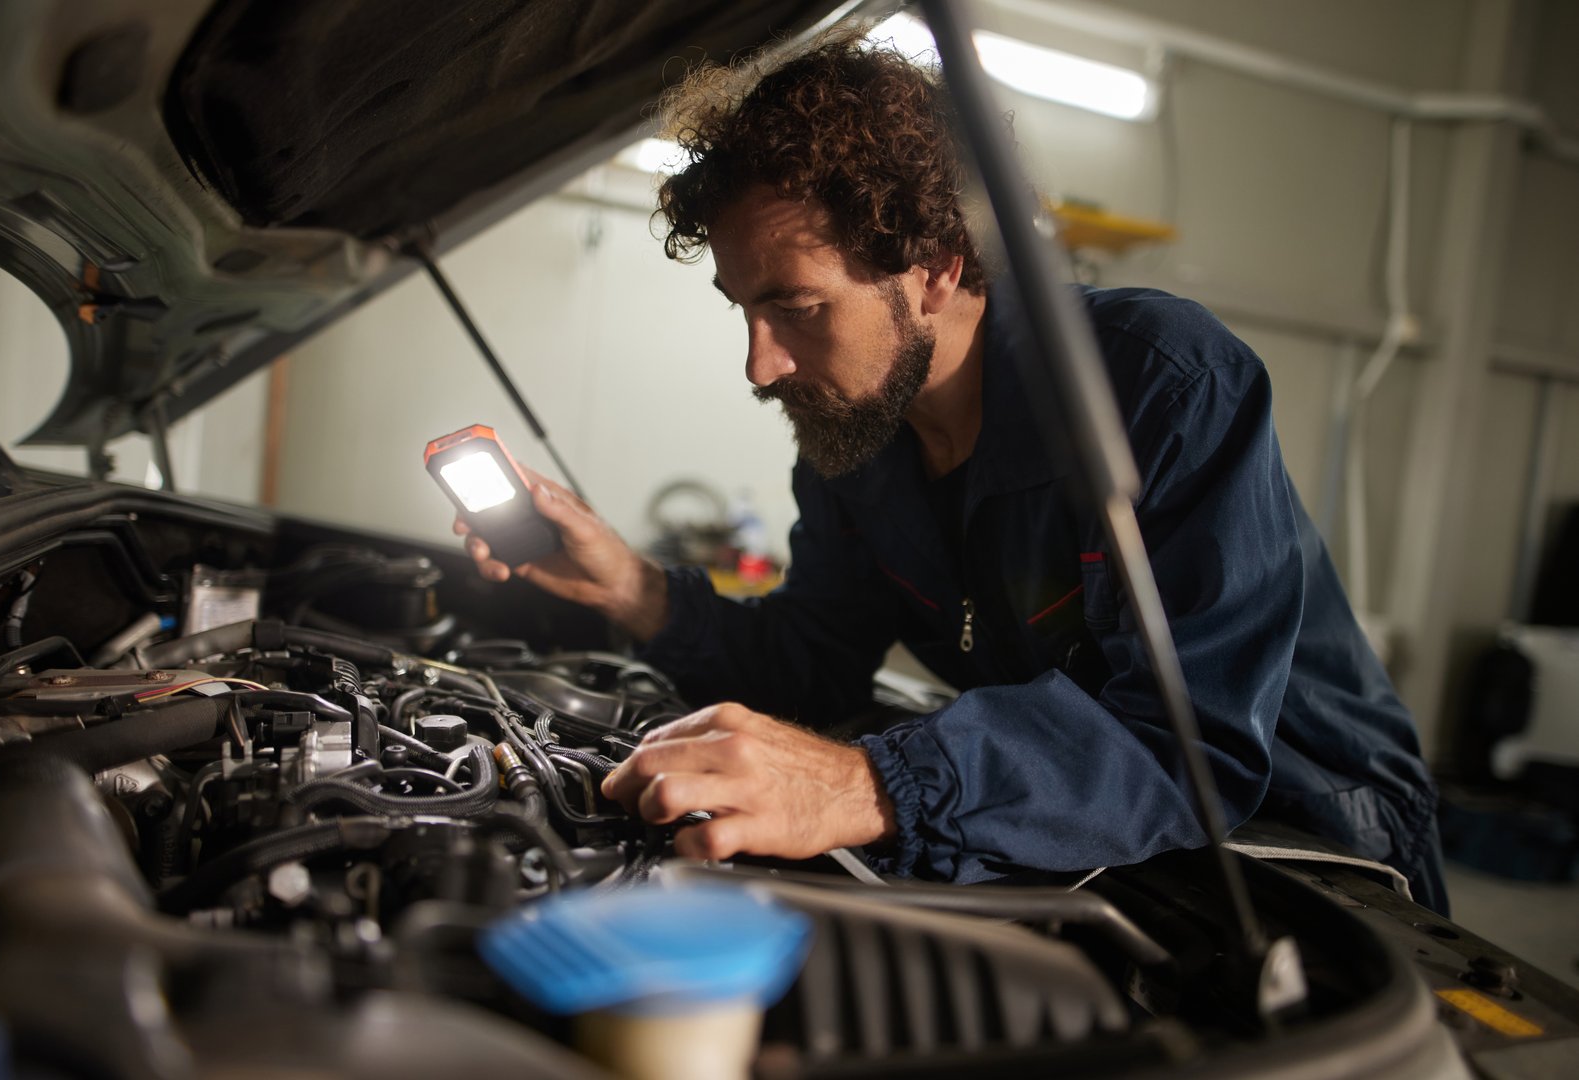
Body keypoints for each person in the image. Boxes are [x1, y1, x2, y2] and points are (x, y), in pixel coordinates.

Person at [456, 32, 1448, 913]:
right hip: (1084, 827)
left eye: (797, 307)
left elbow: (1188, 748)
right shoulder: (854, 437)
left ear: (935, 264)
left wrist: (867, 785)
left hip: (1313, 850)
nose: (759, 366)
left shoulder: (1157, 382)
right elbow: (813, 662)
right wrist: (632, 590)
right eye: (742, 310)